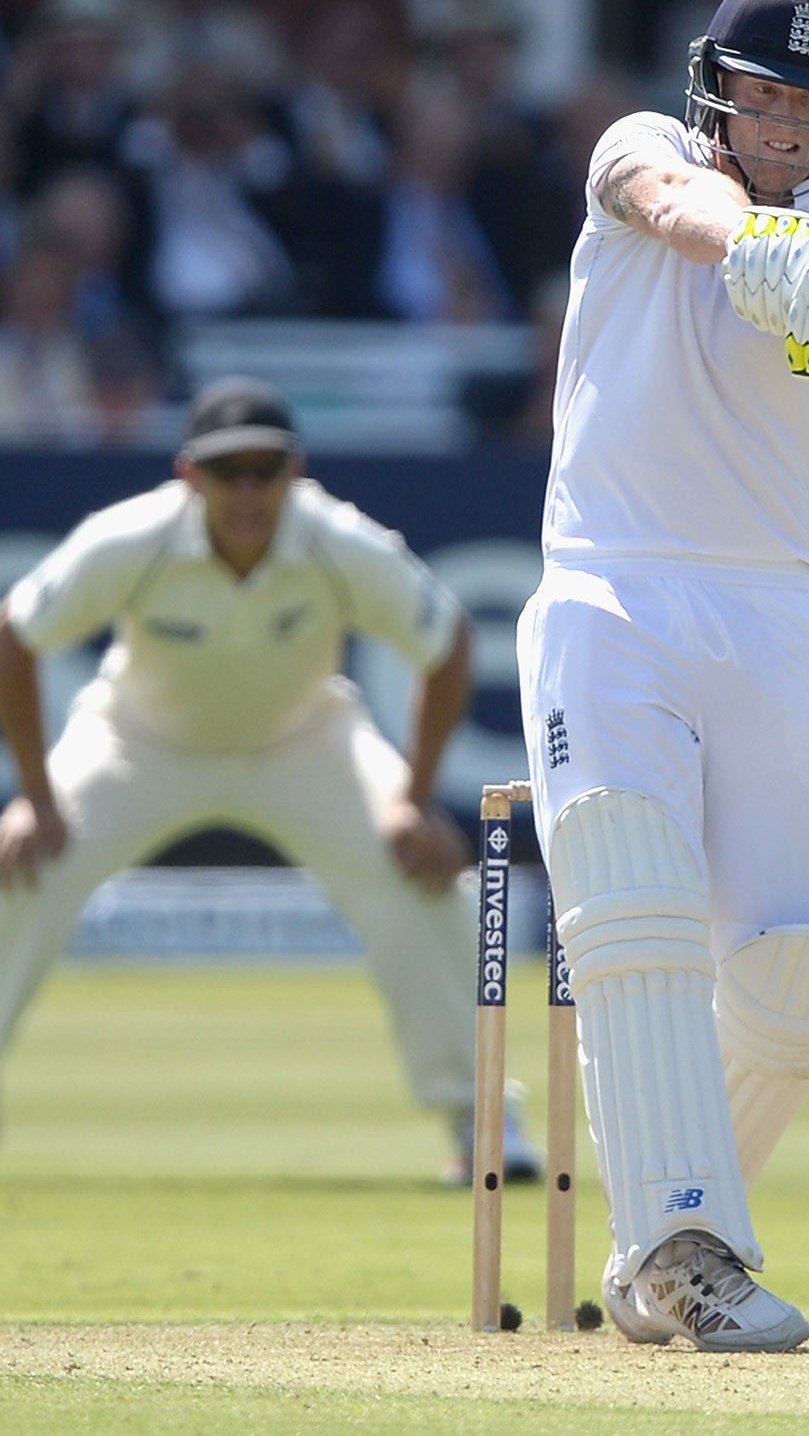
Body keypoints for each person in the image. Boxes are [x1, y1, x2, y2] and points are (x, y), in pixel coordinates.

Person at [514, 0, 809, 1351]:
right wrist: (749, 241)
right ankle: (690, 1251)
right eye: (764, 95)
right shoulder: (645, 151)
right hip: (608, 589)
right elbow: (667, 207)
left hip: (772, 614)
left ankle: (647, 1242)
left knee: (800, 990)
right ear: (716, 89)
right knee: (633, 917)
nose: (786, 124)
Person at [0, 376, 538, 1183]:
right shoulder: (133, 540)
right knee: (19, 868)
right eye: (228, 472)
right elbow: (17, 634)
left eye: (265, 470)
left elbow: (449, 641)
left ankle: (482, 1121)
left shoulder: (336, 539)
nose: (247, 491)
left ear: (296, 471)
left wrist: (414, 800)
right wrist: (34, 802)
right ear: (190, 476)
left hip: (305, 740)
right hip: (137, 742)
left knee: (424, 873)